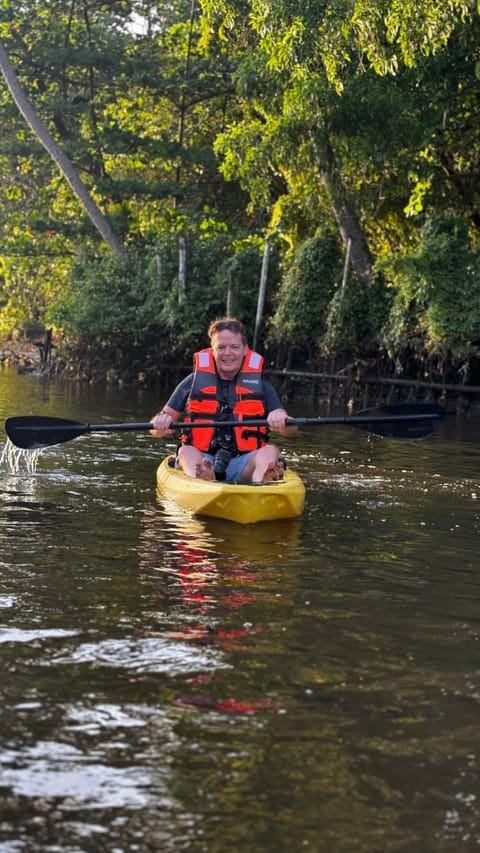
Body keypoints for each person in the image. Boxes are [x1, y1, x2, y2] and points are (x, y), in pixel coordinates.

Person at [150, 317, 297, 484]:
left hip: (245, 462)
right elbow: (156, 430)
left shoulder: (262, 386)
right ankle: (202, 476)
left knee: (270, 451)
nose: (227, 353)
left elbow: (290, 431)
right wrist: (161, 423)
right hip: (202, 457)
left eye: (234, 347)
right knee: (186, 451)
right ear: (212, 350)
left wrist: (282, 420)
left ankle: (262, 479)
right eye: (221, 347)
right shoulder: (192, 382)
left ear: (245, 350)